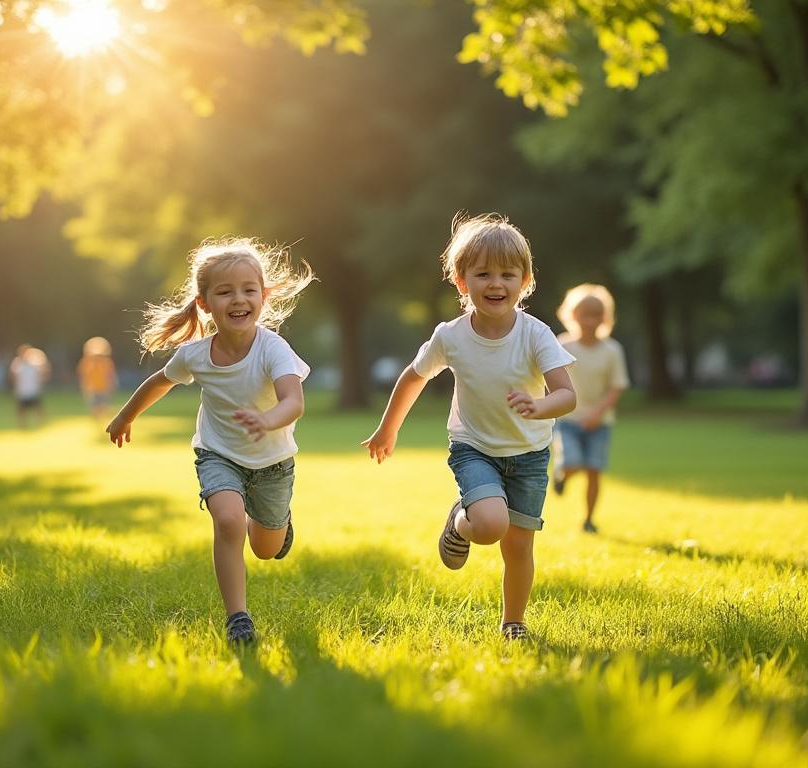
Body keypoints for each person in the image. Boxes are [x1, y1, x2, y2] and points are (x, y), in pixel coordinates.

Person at [363, 213, 576, 641]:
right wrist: (388, 429)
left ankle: (513, 623)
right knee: (491, 525)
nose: (495, 284)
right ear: (462, 282)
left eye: (507, 274)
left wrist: (539, 405)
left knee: (518, 546)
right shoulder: (451, 336)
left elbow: (567, 395)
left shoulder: (536, 335)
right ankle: (462, 521)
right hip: (474, 448)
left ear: (525, 281)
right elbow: (414, 376)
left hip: (529, 456)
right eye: (482, 274)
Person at [107, 238, 314, 646]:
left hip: (273, 462)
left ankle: (279, 524)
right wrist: (126, 415)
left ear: (263, 296)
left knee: (266, 549)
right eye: (225, 291)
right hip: (218, 454)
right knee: (228, 520)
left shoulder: (273, 348)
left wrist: (266, 419)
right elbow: (159, 382)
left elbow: (293, 401)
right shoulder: (196, 355)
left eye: (248, 290)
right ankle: (238, 618)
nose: (238, 299)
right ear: (204, 303)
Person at [551, 284, 630, 534]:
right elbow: (549, 379)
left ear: (605, 318)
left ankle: (588, 519)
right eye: (584, 314)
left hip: (599, 423)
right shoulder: (562, 345)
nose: (590, 320)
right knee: (573, 462)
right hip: (567, 420)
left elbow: (617, 386)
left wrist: (597, 414)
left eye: (596, 315)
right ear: (572, 316)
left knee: (594, 470)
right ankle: (562, 475)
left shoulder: (612, 350)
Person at [78, 336, 118, 428]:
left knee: (103, 407)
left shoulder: (106, 362)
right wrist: (85, 387)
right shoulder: (87, 362)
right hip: (92, 389)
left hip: (103, 388)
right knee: (95, 408)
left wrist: (111, 385)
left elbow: (110, 375)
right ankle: (99, 424)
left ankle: (103, 423)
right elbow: (83, 376)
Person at [9, 344, 50, 428]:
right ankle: (23, 426)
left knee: (38, 410)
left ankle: (41, 425)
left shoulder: (35, 364)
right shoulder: (17, 364)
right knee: (22, 411)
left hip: (33, 390)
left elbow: (43, 375)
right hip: (22, 391)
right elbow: (13, 377)